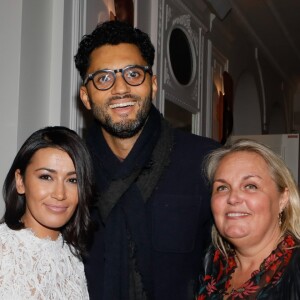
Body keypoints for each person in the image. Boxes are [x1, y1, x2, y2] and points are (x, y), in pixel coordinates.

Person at [74, 20, 219, 300]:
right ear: (86, 97)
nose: (120, 89)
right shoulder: (70, 170)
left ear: (152, 85)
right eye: (104, 78)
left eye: (133, 74)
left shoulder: (206, 162)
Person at [197, 139, 300, 299]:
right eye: (222, 187)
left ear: (283, 199)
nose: (233, 198)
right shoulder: (210, 262)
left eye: (250, 186)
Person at [1, 126, 95, 299]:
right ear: (20, 181)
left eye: (72, 180)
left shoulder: (75, 258)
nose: (60, 194)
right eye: (46, 177)